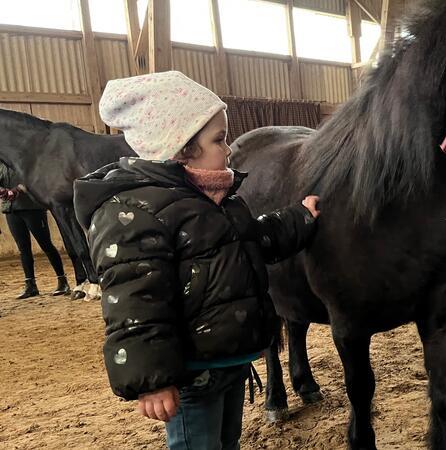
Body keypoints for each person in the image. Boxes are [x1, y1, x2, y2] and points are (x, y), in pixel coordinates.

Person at [73, 71, 320, 450]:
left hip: (228, 361)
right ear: (181, 148)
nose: (229, 150)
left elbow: (253, 241)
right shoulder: (133, 214)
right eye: (219, 140)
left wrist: (299, 217)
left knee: (227, 441)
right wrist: (153, 381)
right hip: (190, 374)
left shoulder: (218, 200)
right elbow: (135, 304)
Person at [0, 163, 70, 299]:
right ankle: (30, 285)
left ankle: (62, 280)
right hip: (11, 209)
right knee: (23, 248)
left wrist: (17, 190)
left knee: (46, 245)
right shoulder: (2, 165)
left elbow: (34, 179)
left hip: (32, 208)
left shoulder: (24, 160)